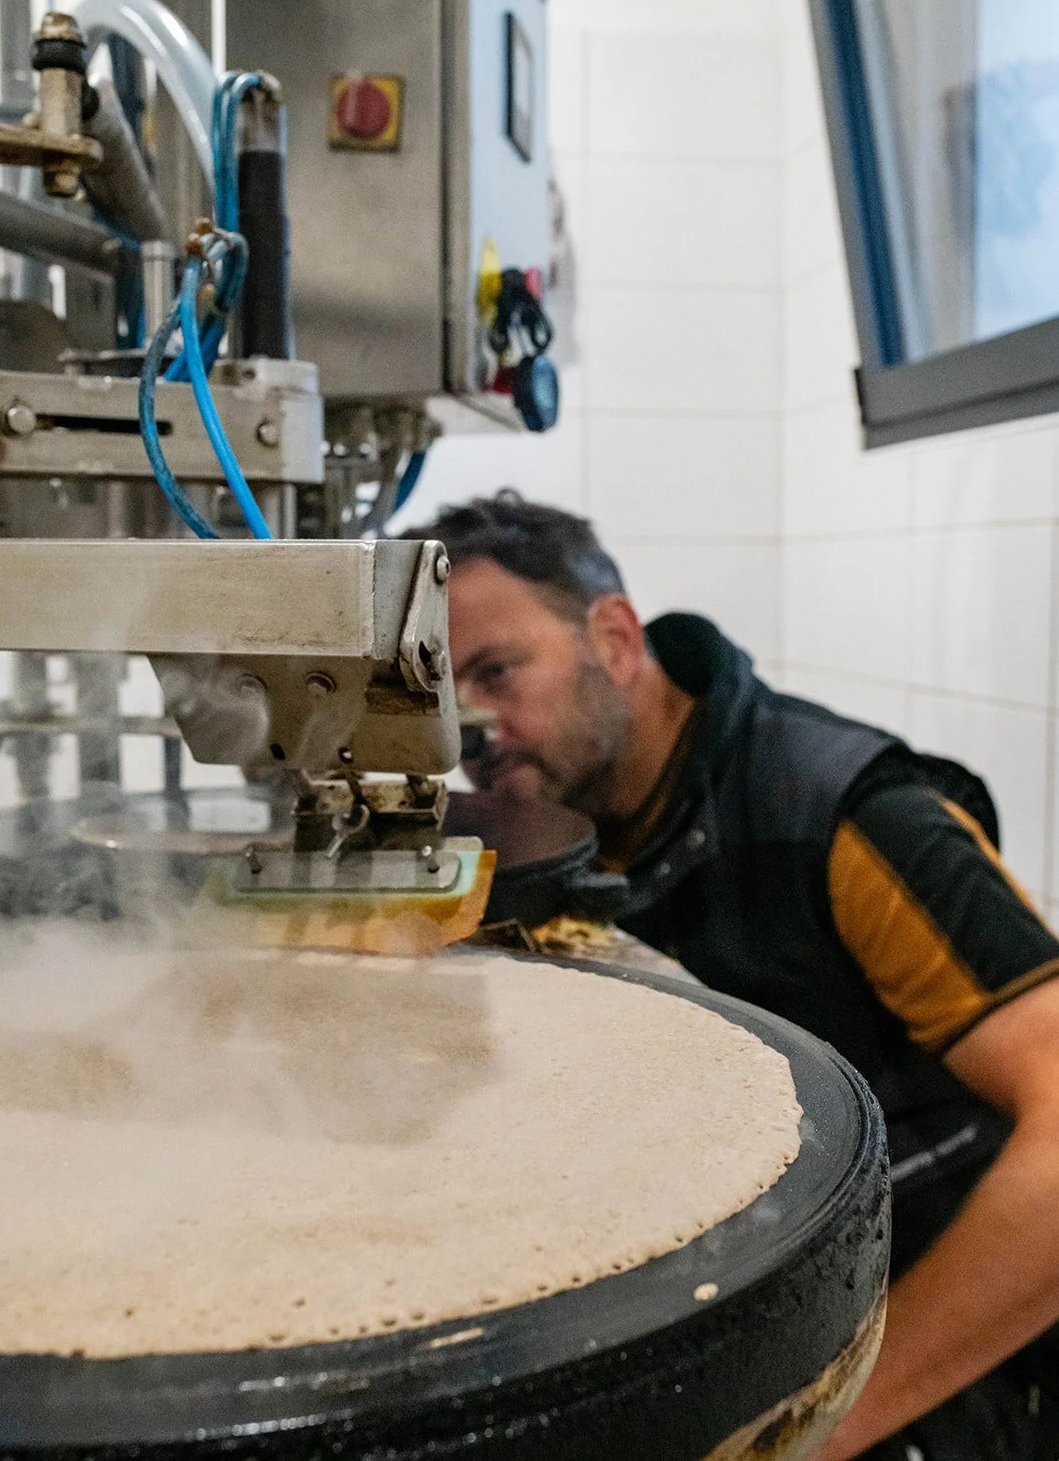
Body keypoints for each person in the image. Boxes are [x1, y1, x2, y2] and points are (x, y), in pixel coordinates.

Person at [408, 490, 1059, 1461]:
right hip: (776, 1333)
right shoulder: (573, 836)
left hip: (956, 1373)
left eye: (497, 672)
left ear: (617, 637)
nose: (471, 729)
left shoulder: (840, 814)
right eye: (442, 696)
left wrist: (835, 1426)